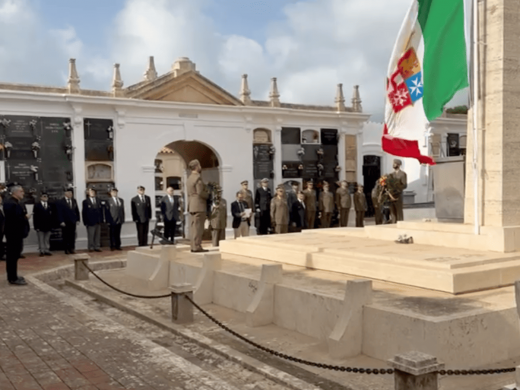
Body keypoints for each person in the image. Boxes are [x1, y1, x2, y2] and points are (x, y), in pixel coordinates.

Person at [4, 185, 29, 285]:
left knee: (14, 256)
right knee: (12, 256)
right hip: (13, 234)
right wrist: (25, 217)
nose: (23, 193)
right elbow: (14, 220)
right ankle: (12, 278)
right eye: (21, 191)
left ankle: (13, 276)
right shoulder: (11, 203)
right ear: (16, 192)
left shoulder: (15, 202)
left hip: (16, 234)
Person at [187, 159, 209, 253]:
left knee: (194, 227)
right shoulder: (197, 178)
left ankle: (193, 246)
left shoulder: (189, 178)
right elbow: (200, 192)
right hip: (198, 205)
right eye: (199, 165)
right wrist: (208, 195)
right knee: (198, 228)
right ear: (197, 166)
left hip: (192, 205)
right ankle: (197, 246)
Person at [56, 188, 80, 254]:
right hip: (65, 222)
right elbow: (59, 212)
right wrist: (61, 221)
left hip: (73, 221)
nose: (70, 194)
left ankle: (72, 248)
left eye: (71, 193)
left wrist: (78, 219)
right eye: (69, 193)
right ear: (65, 194)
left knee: (72, 235)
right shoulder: (61, 201)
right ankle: (66, 249)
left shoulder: (74, 200)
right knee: (66, 235)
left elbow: (77, 210)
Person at [82, 188, 103, 252]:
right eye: (91, 192)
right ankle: (91, 247)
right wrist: (85, 222)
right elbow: (84, 212)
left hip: (98, 221)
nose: (92, 193)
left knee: (97, 235)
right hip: (90, 221)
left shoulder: (99, 200)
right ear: (88, 193)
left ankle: (97, 246)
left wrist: (102, 220)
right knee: (91, 235)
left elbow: (101, 211)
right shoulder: (85, 202)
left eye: (93, 192)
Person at [33, 192, 53, 256]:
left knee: (47, 238)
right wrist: (36, 226)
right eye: (44, 196)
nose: (45, 198)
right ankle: (42, 250)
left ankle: (47, 250)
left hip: (48, 225)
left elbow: (52, 215)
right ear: (41, 197)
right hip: (40, 225)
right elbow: (35, 217)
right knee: (41, 238)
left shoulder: (50, 205)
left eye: (46, 196)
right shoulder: (37, 205)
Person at [388, 159, 407, 223]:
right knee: (392, 211)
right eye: (393, 163)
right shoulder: (391, 175)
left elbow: (404, 185)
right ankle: (393, 223)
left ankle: (400, 223)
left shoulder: (402, 174)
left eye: (395, 163)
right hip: (391, 195)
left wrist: (397, 189)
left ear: (398, 165)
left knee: (399, 210)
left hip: (398, 195)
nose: (393, 165)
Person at [0, 195, 5, 261]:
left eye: (0, 199)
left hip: (2, 228)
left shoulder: (2, 208)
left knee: (1, 242)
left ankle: (1, 255)